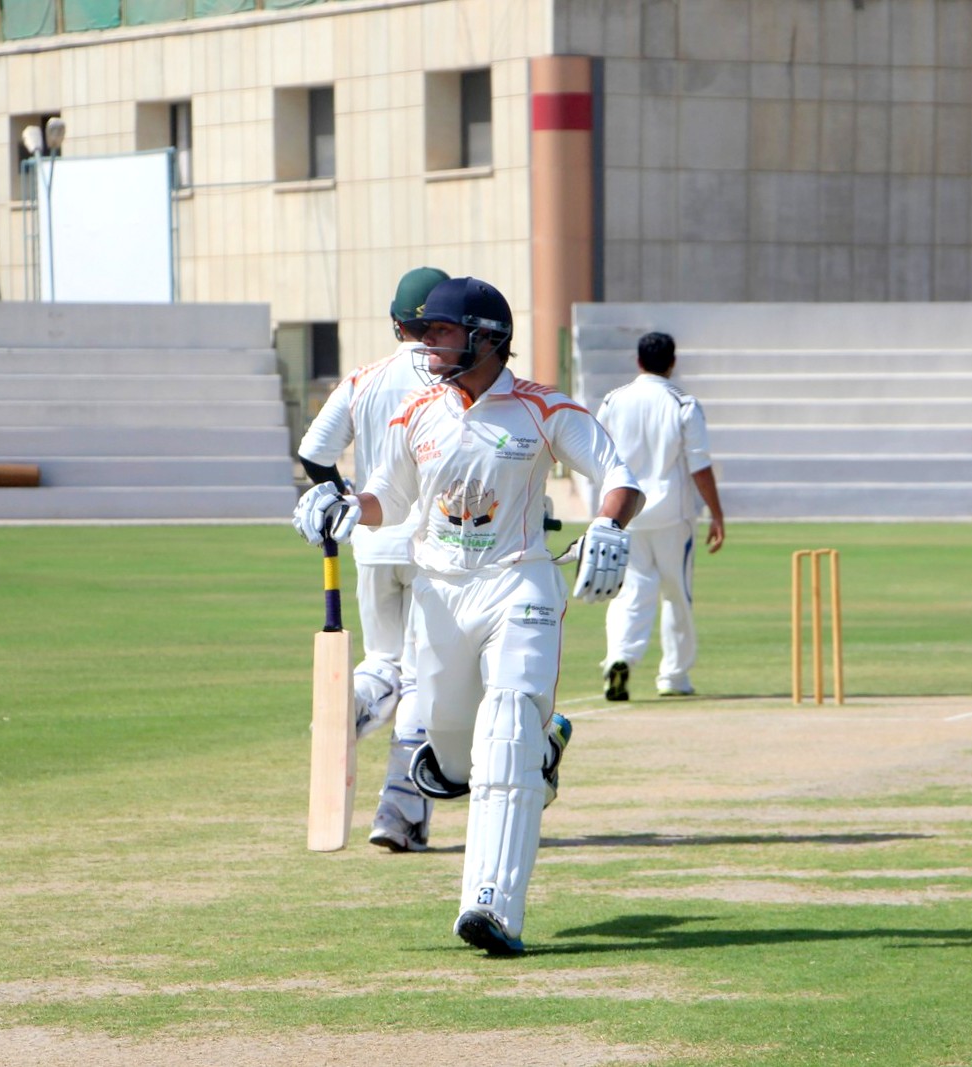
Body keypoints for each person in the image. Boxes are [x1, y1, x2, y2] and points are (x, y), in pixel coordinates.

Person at [292, 276, 642, 956]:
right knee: (453, 760)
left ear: (485, 338)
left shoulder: (543, 407)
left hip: (519, 582)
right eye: (423, 331)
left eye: (440, 332)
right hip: (439, 595)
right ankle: (543, 749)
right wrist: (342, 505)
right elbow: (387, 498)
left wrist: (608, 524)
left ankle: (491, 906)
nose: (425, 344)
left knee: (505, 732)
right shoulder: (416, 411)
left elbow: (620, 476)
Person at [295, 266, 446, 853]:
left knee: (384, 660)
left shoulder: (364, 378)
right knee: (425, 676)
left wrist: (343, 496)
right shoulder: (455, 377)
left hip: (372, 538)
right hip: (438, 546)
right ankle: (398, 814)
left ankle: (351, 705)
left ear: (395, 322)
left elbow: (314, 453)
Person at [593, 331, 725, 701]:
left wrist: (604, 512)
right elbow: (699, 465)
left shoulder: (613, 400)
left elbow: (596, 455)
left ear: (638, 361)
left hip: (625, 512)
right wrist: (716, 514)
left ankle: (620, 657)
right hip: (672, 515)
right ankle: (674, 676)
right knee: (676, 594)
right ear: (672, 363)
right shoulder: (683, 403)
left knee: (630, 592)